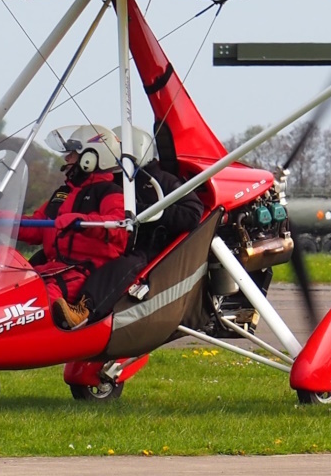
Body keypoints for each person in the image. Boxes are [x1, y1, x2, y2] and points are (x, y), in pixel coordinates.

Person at [19, 124, 133, 330]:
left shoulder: (110, 192)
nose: (67, 159)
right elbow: (37, 226)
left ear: (91, 158)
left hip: (85, 271)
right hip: (55, 268)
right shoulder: (63, 193)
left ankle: (62, 324)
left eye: (72, 154)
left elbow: (120, 227)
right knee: (11, 283)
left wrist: (83, 222)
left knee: (47, 292)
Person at [127, 128, 207, 257]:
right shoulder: (113, 181)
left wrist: (140, 211)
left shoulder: (163, 180)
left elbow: (192, 214)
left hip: (149, 253)